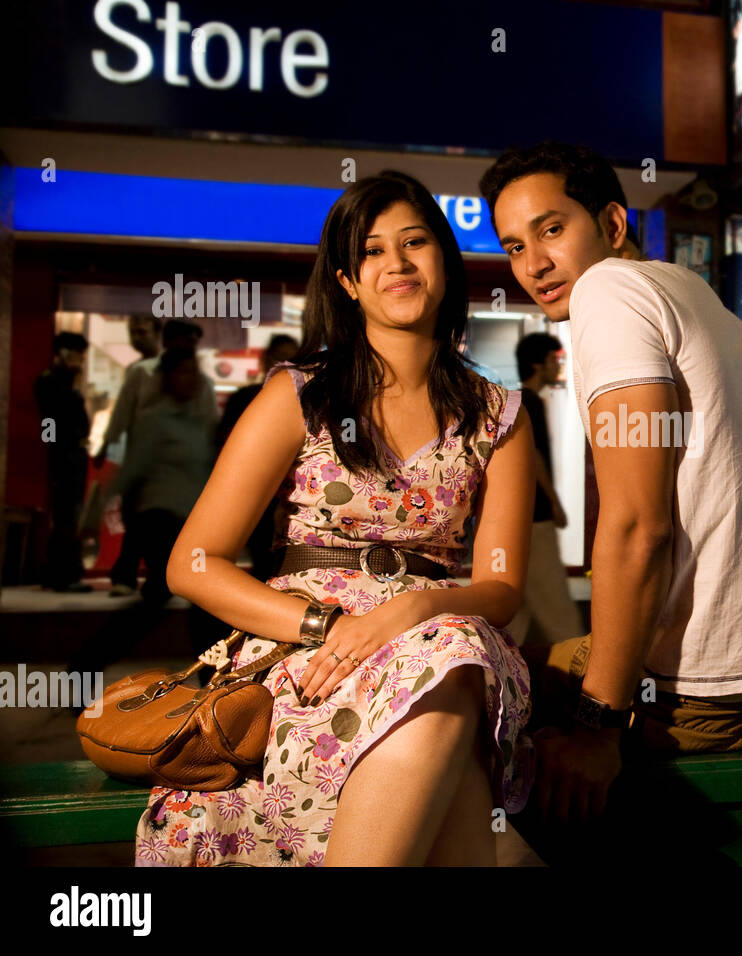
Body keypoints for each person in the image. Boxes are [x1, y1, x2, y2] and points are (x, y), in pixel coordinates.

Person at [124, 171, 536, 866]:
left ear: (445, 259)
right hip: (307, 654)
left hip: (440, 636)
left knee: (456, 653)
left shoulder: (499, 415)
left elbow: (501, 589)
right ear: (347, 281)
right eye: (372, 252)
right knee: (455, 752)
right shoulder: (300, 395)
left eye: (415, 243)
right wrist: (330, 628)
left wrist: (414, 611)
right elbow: (192, 563)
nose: (397, 264)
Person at [481, 141, 742, 859]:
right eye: (513, 245)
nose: (533, 263)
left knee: (454, 706)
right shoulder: (695, 297)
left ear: (612, 224)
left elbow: (637, 527)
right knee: (482, 664)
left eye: (552, 229)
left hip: (710, 685)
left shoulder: (608, 294)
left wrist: (596, 732)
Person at [67, 347, 216, 675]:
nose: (191, 379)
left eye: (194, 372)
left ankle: (211, 679)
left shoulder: (199, 422)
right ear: (166, 379)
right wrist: (96, 516)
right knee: (174, 597)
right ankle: (85, 665)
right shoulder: (155, 421)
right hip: (159, 518)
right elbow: (130, 471)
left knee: (179, 601)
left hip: (189, 522)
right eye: (183, 372)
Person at [97, 318, 218, 597]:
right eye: (180, 339)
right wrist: (108, 443)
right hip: (145, 451)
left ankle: (152, 580)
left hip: (185, 459)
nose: (185, 345)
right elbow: (124, 410)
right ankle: (128, 576)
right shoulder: (143, 372)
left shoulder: (202, 381)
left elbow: (210, 421)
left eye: (190, 341)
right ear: (166, 341)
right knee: (140, 519)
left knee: (159, 524)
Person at [507, 332, 585, 644]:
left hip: (522, 518)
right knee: (557, 609)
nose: (559, 367)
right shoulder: (530, 403)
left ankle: (496, 677)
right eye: (555, 360)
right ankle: (579, 675)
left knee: (520, 605)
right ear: (537, 364)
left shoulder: (521, 401)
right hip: (536, 518)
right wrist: (554, 502)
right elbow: (533, 456)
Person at [215, 333, 301, 581]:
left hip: (287, 495)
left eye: (291, 359)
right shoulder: (245, 397)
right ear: (266, 359)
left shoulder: (306, 398)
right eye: (279, 358)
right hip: (251, 489)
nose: (285, 365)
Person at [35, 332, 92, 592]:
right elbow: (48, 420)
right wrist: (55, 446)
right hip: (64, 456)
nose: (79, 359)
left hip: (73, 455)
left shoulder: (68, 382)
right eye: (76, 353)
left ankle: (65, 573)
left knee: (70, 516)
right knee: (65, 516)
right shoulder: (50, 382)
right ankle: (62, 575)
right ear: (61, 352)